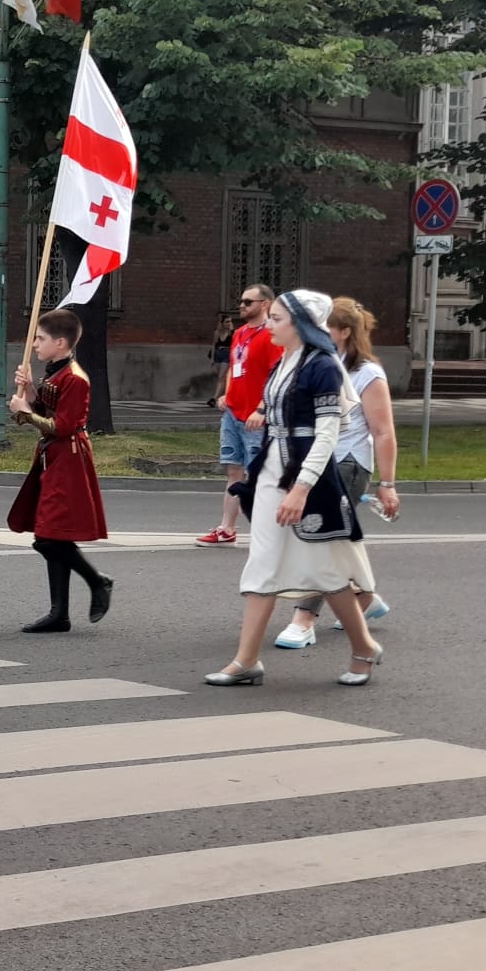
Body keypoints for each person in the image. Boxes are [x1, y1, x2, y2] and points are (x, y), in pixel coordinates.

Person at [205, 290, 384, 689]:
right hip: (272, 475)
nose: (269, 324)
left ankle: (363, 647)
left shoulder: (323, 366)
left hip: (311, 482)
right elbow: (274, 421)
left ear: (301, 323)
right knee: (262, 564)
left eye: (277, 318)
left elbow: (326, 436)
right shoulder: (284, 361)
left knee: (325, 570)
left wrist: (300, 489)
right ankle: (246, 660)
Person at [275, 296, 399, 649]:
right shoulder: (311, 362)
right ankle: (363, 597)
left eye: (325, 325)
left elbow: (384, 432)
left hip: (347, 463)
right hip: (313, 461)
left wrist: (387, 485)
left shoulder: (366, 373)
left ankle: (304, 618)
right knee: (331, 541)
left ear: (344, 332)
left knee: (321, 539)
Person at [7, 308, 112, 633]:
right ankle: (60, 613)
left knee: (50, 536)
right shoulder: (55, 373)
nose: (35, 344)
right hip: (52, 457)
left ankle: (97, 581)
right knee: (49, 534)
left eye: (41, 338)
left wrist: (25, 414)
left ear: (61, 342)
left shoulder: (75, 378)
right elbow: (49, 409)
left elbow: (63, 426)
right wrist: (32, 393)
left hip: (68, 458)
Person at [199, 283, 282, 546]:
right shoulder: (239, 334)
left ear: (265, 305)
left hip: (256, 418)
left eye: (248, 302)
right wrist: (226, 395)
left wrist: (262, 408)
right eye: (242, 302)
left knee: (258, 475)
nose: (242, 306)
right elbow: (236, 368)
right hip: (233, 414)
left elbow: (276, 376)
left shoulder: (273, 335)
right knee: (234, 472)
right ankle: (227, 528)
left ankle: (267, 531)